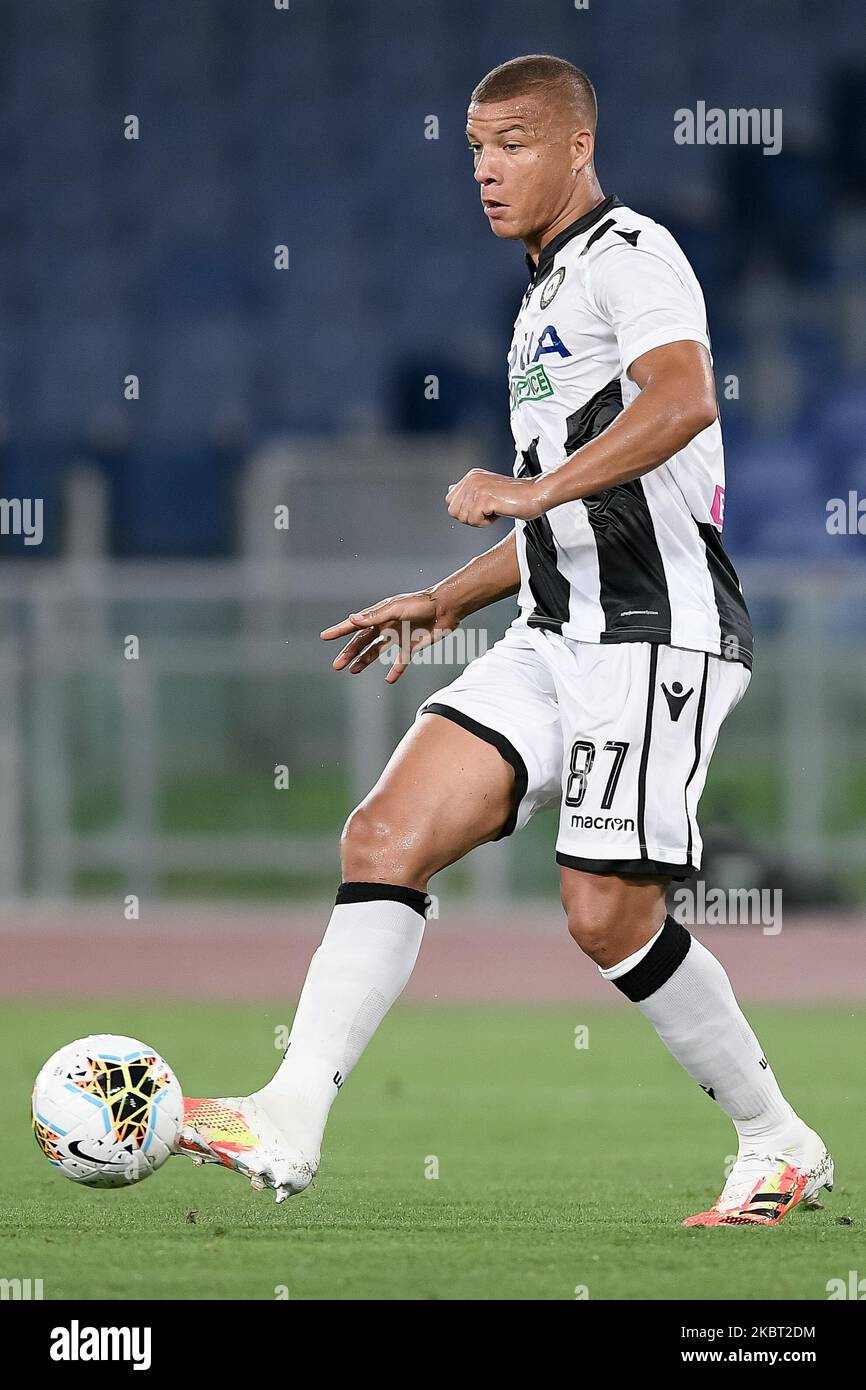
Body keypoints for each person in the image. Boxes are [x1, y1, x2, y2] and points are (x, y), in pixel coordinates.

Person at [178, 55, 832, 1226]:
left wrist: (528, 498)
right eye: (476, 145)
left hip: (654, 634)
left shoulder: (632, 257)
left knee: (603, 917)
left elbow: (682, 400)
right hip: (553, 628)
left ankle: (776, 1139)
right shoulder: (537, 296)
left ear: (577, 146)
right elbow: (562, 510)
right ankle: (285, 1117)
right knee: (382, 833)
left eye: (515, 142)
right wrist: (444, 596)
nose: (486, 167)